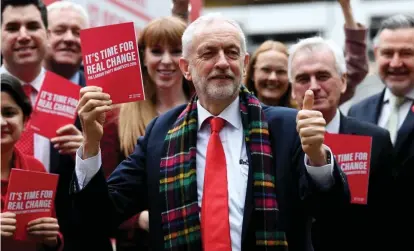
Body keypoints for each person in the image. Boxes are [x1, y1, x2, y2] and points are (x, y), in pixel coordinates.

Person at [72, 13, 349, 251]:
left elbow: (332, 214)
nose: (222, 62)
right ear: (186, 68)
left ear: (244, 64)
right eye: (208, 53)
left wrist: (317, 159)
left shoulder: (287, 127)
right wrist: (91, 147)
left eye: (231, 53)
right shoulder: (161, 132)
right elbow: (99, 216)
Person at [289, 36, 395, 251]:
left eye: (322, 76)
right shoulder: (276, 138)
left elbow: (388, 221)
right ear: (292, 90)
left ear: (343, 81)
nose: (313, 87)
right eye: (302, 79)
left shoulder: (375, 140)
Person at [0, 0, 83, 247]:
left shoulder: (78, 98)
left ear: (46, 34)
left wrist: (86, 156)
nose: (23, 36)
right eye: (13, 27)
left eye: (32, 26)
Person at [347, 14, 414, 249]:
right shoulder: (358, 112)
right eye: (388, 54)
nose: (396, 63)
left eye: (406, 53)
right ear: (376, 55)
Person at [244, 0, 369, 107]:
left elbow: (355, 69)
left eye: (281, 71)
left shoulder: (310, 105)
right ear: (252, 74)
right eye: (266, 70)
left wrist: (346, 8)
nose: (273, 78)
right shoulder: (237, 112)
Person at [1, 73, 62, 251]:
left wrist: (52, 239)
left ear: (26, 120)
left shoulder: (36, 169)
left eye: (9, 113)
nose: (1, 122)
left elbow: (50, 239)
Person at [44, 1, 89, 86]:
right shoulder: (17, 85)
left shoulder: (104, 93)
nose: (69, 38)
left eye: (77, 33)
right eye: (59, 31)